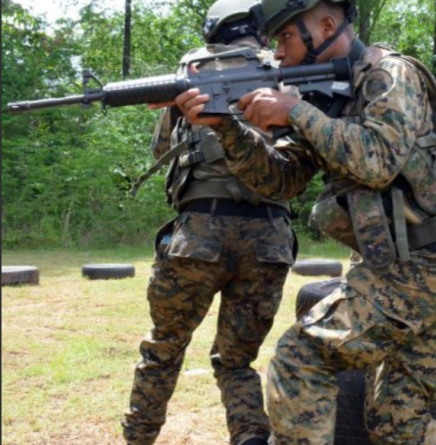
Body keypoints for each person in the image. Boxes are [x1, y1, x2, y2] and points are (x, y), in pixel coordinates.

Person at [168, 0, 436, 444]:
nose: (278, 52)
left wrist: (293, 112)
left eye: (286, 37)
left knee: (300, 357)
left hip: (429, 265)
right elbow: (280, 181)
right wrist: (227, 129)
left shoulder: (388, 76)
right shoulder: (325, 98)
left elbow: (378, 161)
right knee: (398, 426)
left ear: (328, 25)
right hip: (407, 267)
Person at [122, 2, 298, 444]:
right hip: (269, 240)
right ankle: (251, 438)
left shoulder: (193, 70)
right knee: (236, 362)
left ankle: (138, 438)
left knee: (163, 351)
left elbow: (161, 146)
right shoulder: (284, 71)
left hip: (200, 235)